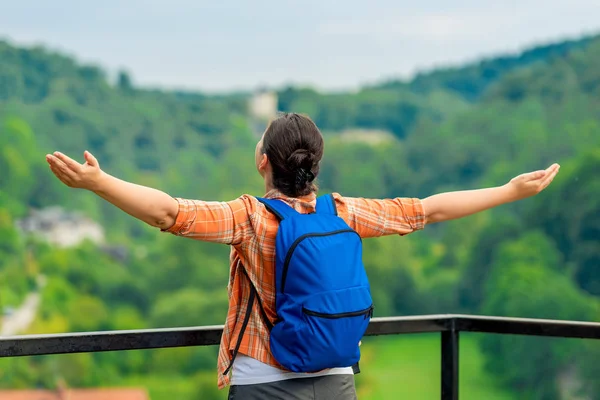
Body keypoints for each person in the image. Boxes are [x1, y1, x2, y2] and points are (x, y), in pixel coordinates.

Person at [45, 112, 560, 399]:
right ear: (315, 164)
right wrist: (510, 191)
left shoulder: (251, 217)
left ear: (262, 162)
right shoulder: (343, 211)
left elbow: (169, 213)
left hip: (265, 384)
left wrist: (99, 183)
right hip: (337, 382)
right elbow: (427, 211)